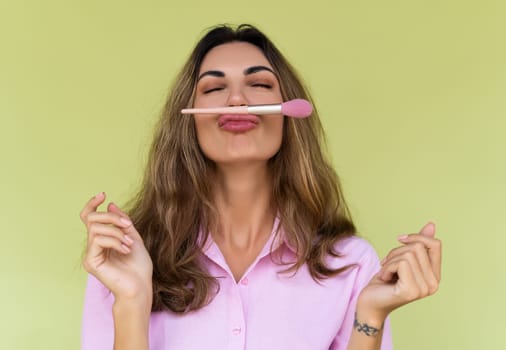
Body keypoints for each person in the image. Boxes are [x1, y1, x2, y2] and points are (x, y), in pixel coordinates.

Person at [79, 24, 441, 350]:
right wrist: (131, 300)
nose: (237, 100)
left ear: (289, 115)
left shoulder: (349, 263)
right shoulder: (125, 258)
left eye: (259, 85)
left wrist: (371, 316)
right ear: (188, 120)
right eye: (215, 87)